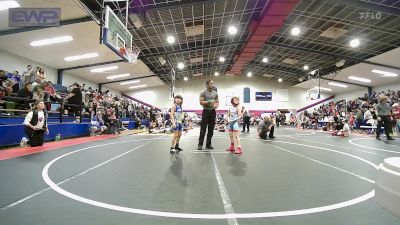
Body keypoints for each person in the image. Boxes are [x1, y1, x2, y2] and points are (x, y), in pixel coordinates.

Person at [198, 80, 219, 150]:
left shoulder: (215, 93)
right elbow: (201, 102)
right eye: (211, 83)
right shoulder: (203, 93)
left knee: (211, 130)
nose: (212, 84)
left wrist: (216, 105)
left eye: (213, 83)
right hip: (205, 112)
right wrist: (209, 101)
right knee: (203, 129)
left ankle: (208, 144)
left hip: (213, 112)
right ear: (207, 84)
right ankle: (200, 144)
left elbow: (217, 102)